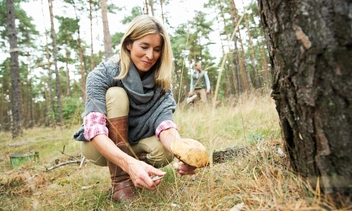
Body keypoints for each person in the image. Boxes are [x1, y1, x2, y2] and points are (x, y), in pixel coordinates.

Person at [73, 15, 197, 203]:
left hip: (136, 141)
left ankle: (140, 172)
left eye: (157, 50)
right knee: (116, 94)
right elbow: (94, 130)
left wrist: (183, 153)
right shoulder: (101, 75)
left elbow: (165, 124)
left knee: (166, 150)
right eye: (144, 47)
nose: (150, 56)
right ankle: (121, 181)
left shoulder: (161, 82)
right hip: (99, 147)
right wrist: (129, 164)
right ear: (128, 44)